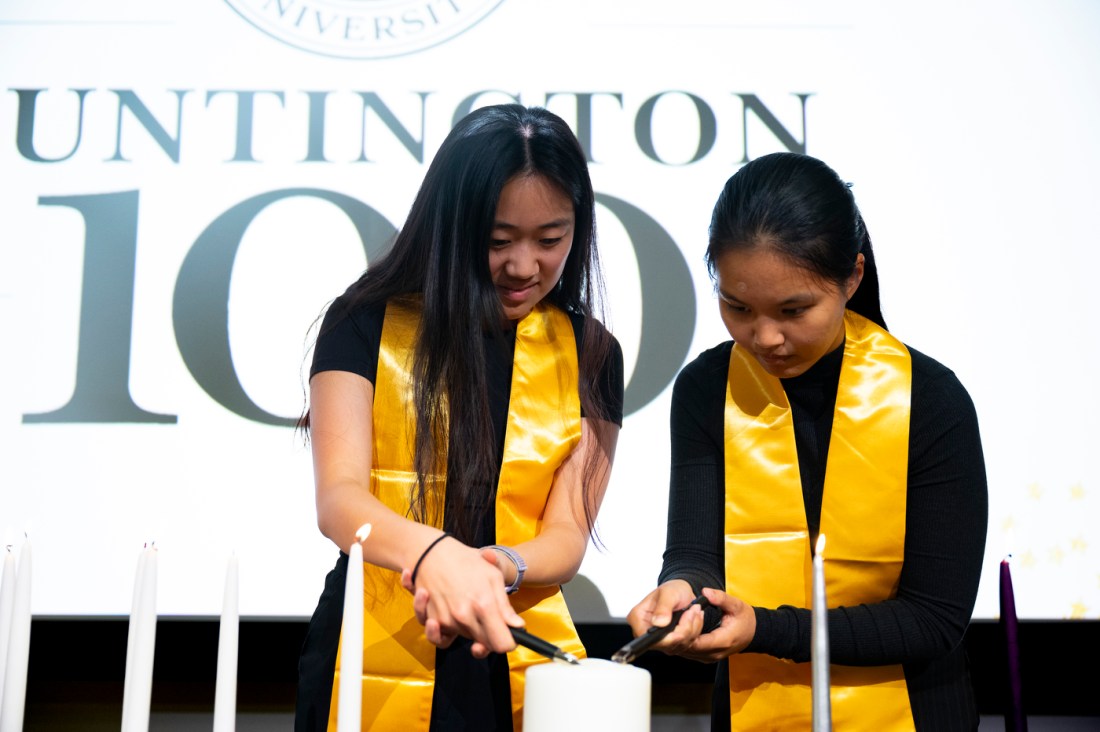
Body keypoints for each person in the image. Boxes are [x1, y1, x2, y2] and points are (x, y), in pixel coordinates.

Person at [626, 152, 988, 730]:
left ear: (853, 277)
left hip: (915, 711)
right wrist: (682, 594)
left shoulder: (931, 399)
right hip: (755, 709)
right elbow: (697, 551)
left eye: (794, 310)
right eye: (737, 307)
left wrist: (765, 629)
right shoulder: (705, 389)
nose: (765, 337)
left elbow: (934, 618)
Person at [295, 104, 624, 731]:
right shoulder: (363, 323)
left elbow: (566, 534)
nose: (524, 266)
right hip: (371, 639)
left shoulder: (592, 352)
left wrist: (495, 567)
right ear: (451, 224)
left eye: (550, 239)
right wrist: (434, 556)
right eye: (499, 241)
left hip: (510, 641)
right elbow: (339, 500)